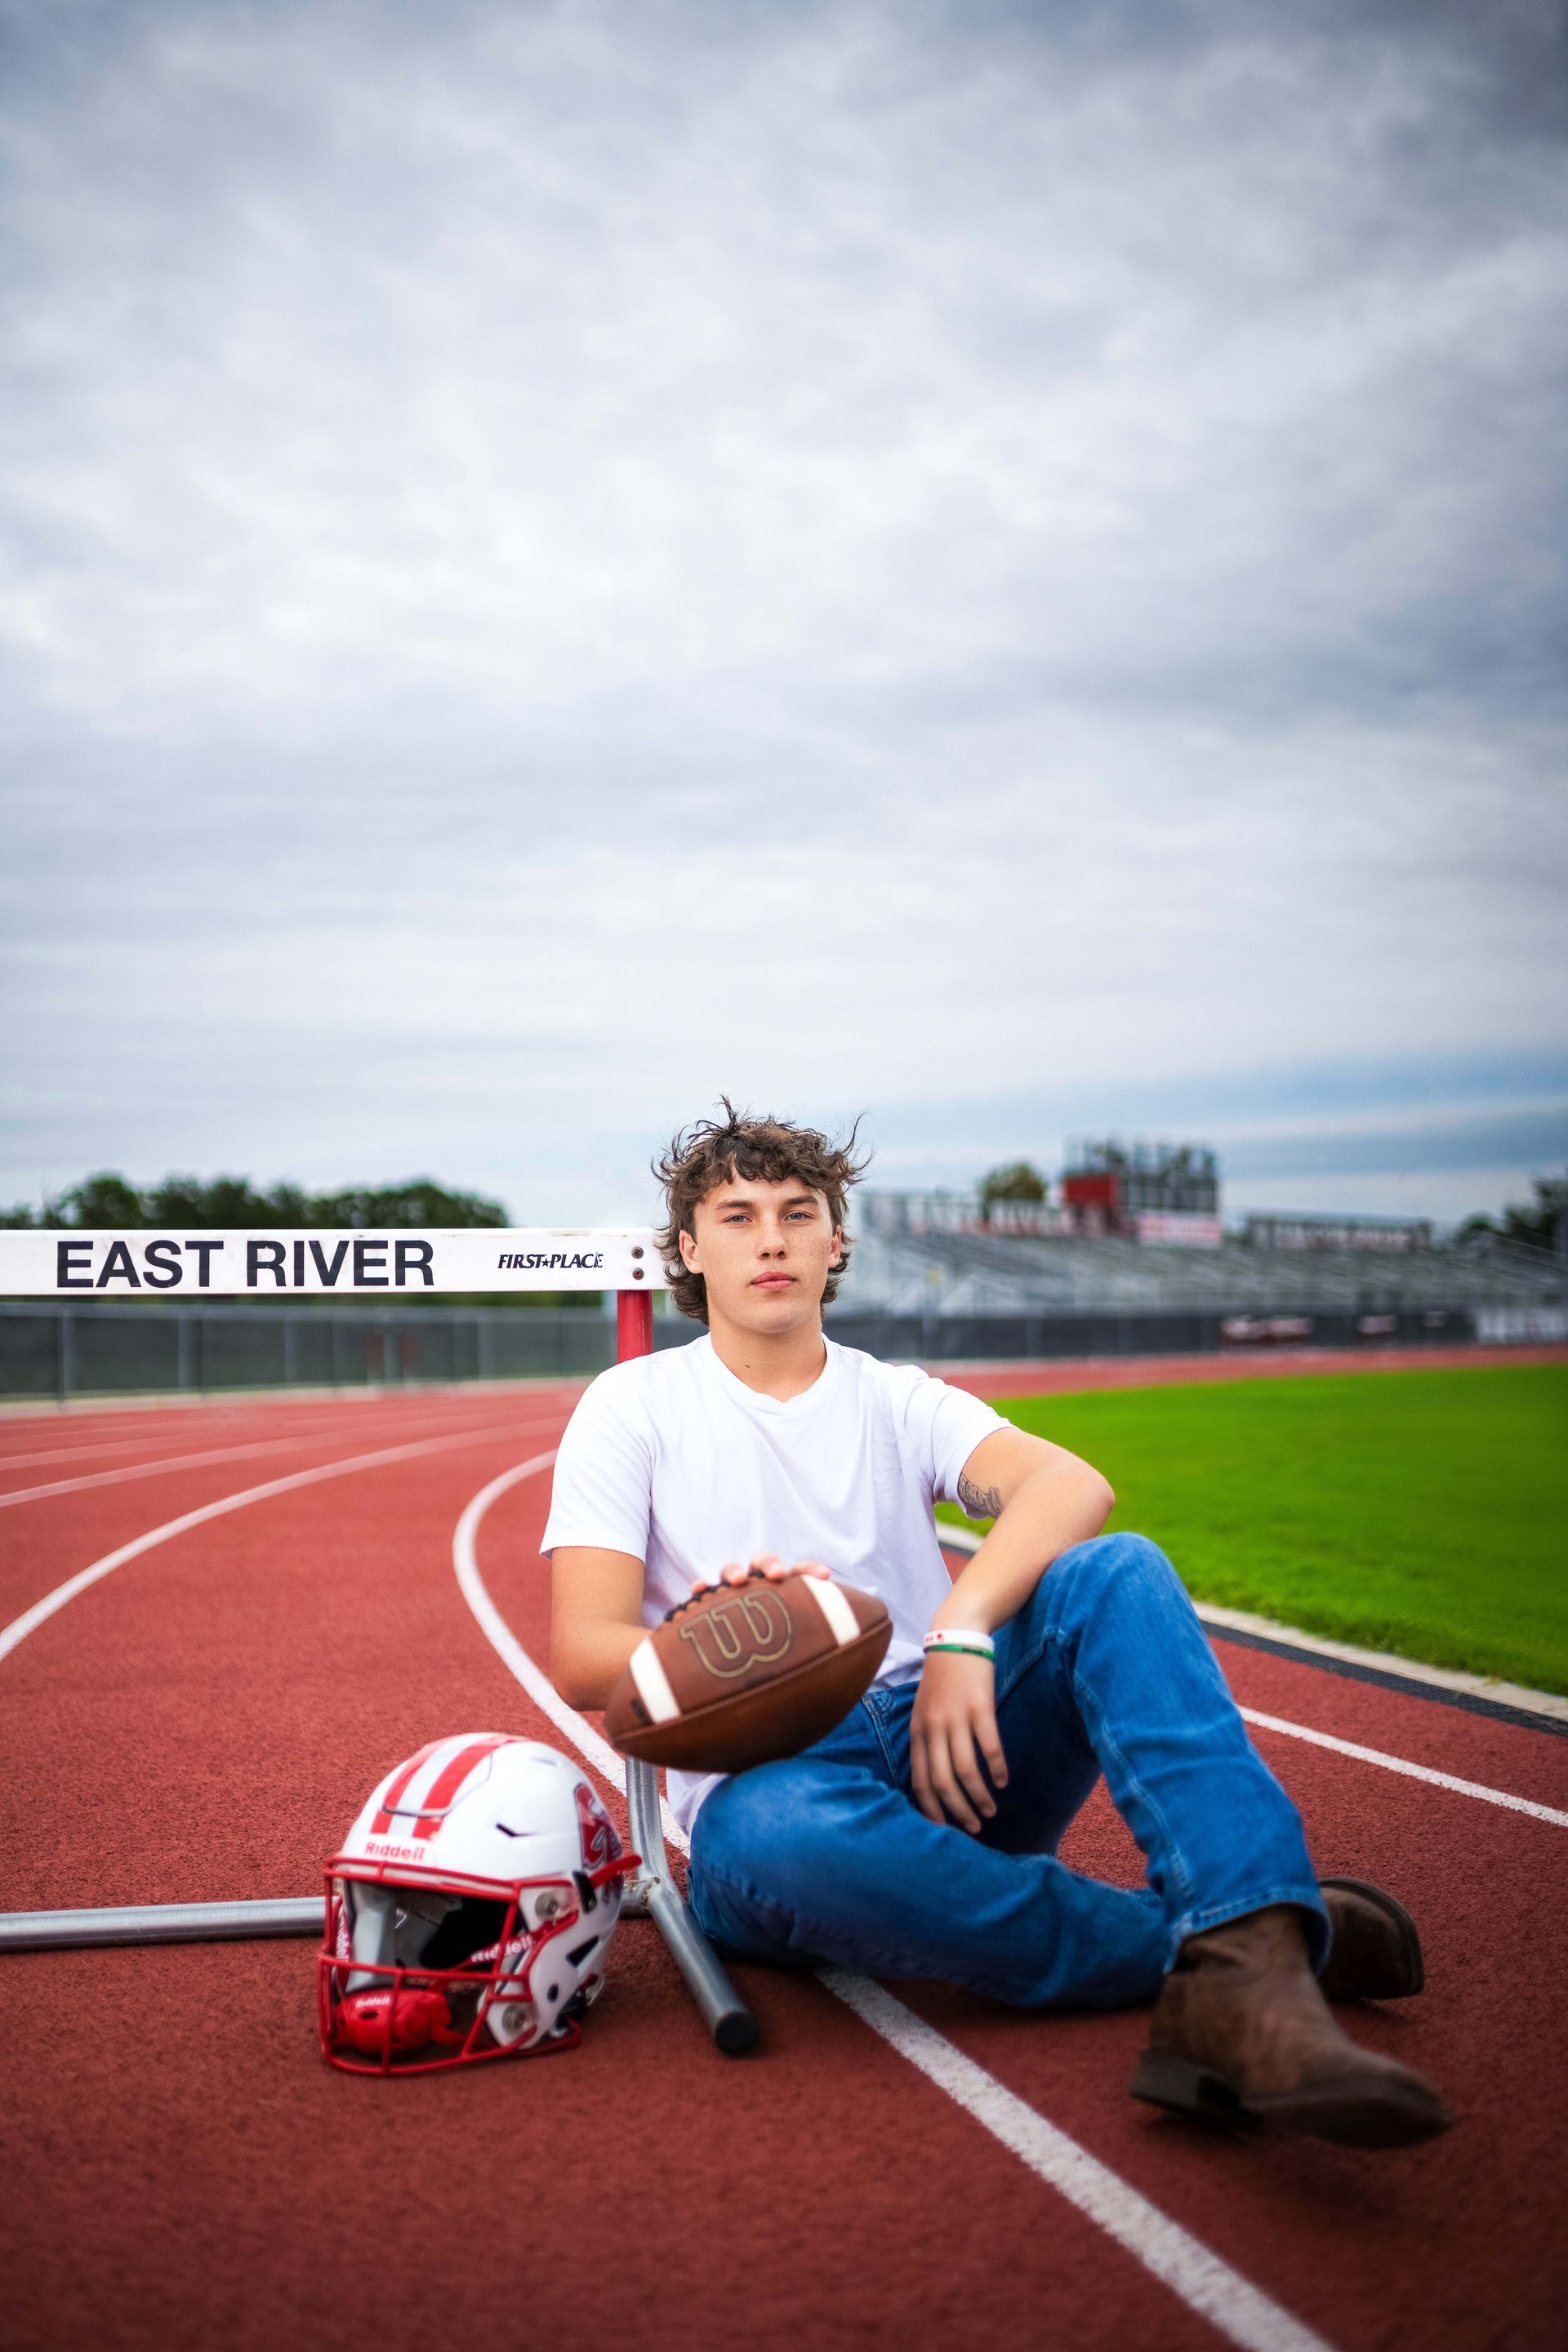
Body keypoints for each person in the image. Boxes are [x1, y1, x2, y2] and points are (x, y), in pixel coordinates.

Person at [545, 1106, 1451, 2147]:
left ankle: (1240, 1956)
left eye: (800, 1214)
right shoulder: (633, 1407)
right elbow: (584, 1655)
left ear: (836, 1242)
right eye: (738, 1216)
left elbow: (1071, 1484)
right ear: (690, 1249)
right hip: (779, 1775)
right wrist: (717, 1631)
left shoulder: (895, 1399)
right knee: (774, 1841)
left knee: (1116, 1572)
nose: (773, 1239)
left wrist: (962, 1629)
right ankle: (1253, 1948)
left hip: (950, 1735)